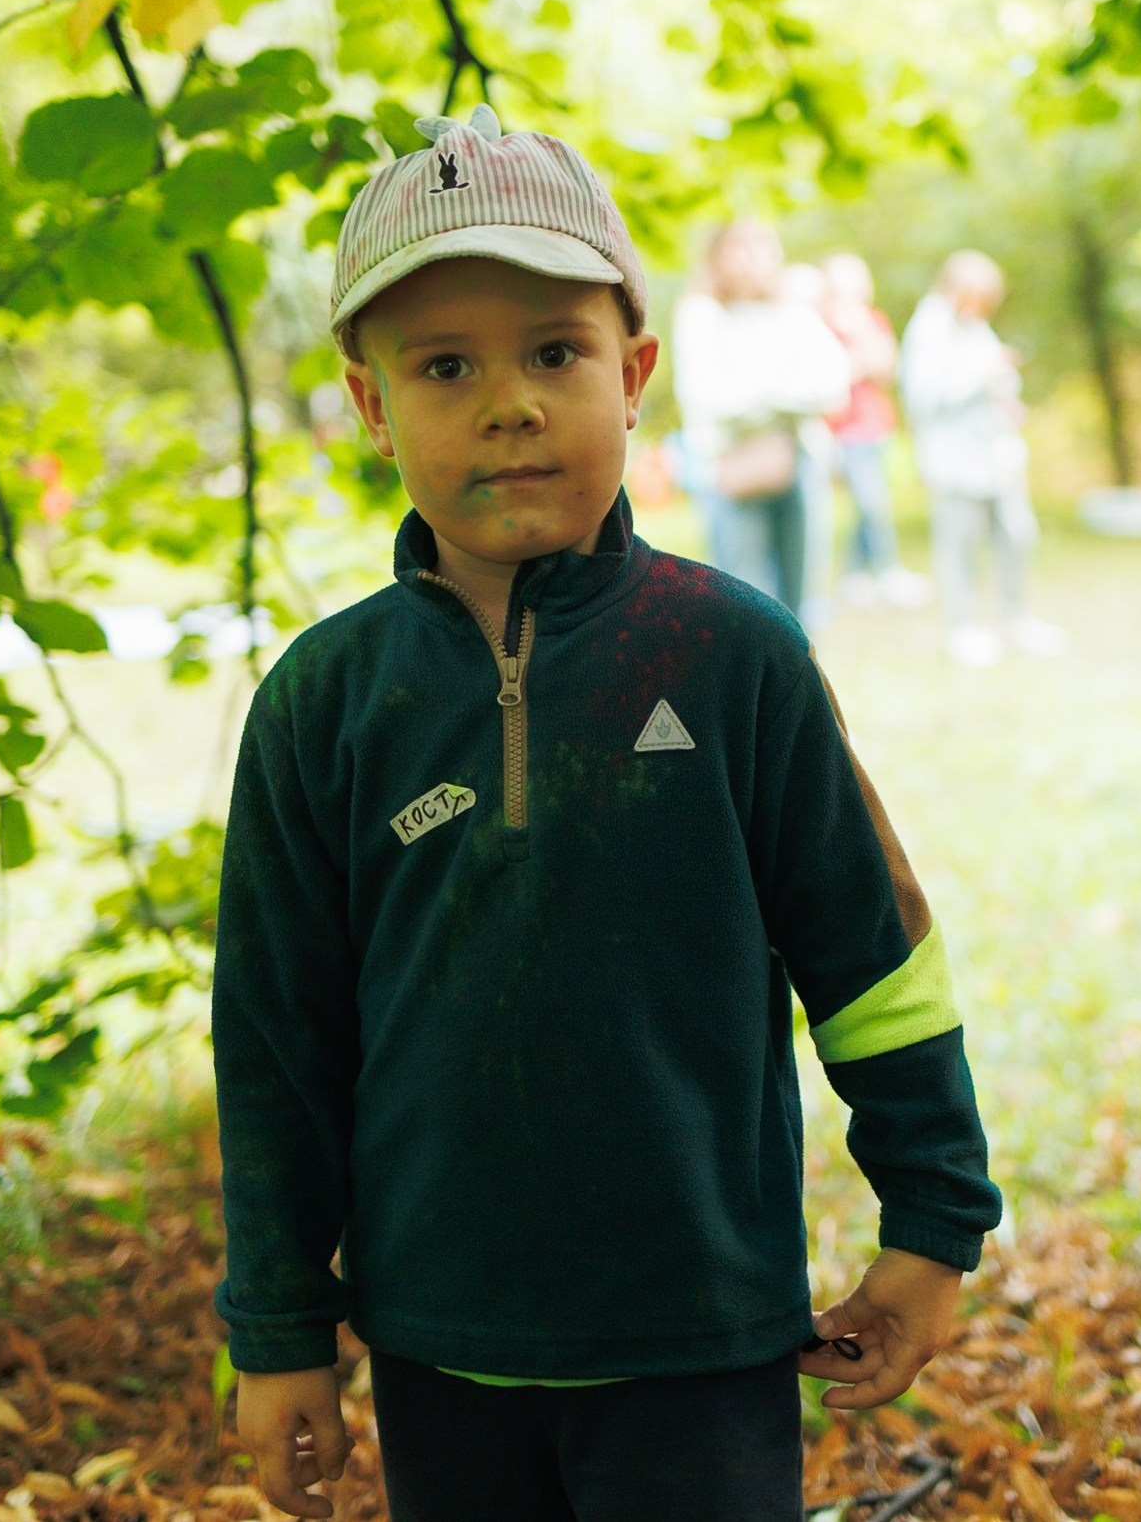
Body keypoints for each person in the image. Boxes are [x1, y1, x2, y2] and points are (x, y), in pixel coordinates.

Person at [214, 105, 1001, 1522]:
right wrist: (279, 1328)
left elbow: (874, 960)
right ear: (371, 403)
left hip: (703, 1327)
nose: (510, 402)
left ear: (635, 373)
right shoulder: (324, 703)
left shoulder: (735, 653)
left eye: (556, 352)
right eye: (447, 364)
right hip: (441, 1337)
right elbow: (277, 1037)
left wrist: (932, 1220)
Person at [670, 220, 851, 621]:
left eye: (761, 246)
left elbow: (832, 384)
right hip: (732, 469)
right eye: (740, 246)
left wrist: (759, 388)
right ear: (717, 256)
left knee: (802, 595)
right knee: (744, 598)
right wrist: (786, 389)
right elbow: (710, 396)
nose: (752, 257)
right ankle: (752, 684)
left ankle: (801, 682)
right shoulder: (701, 315)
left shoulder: (795, 314)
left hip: (800, 463)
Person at [899, 251, 1064, 667]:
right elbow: (924, 399)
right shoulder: (929, 327)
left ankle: (1016, 618)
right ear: (958, 288)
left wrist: (1006, 395)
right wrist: (983, 377)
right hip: (955, 460)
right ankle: (964, 628)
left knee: (1016, 535)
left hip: (997, 454)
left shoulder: (975, 326)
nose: (987, 305)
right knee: (960, 547)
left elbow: (997, 377)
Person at [817, 253, 928, 606]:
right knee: (871, 501)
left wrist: (861, 353)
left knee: (869, 502)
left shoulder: (873, 320)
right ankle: (887, 570)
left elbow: (885, 367)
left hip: (877, 424)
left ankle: (854, 577)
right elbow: (832, 376)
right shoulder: (821, 324)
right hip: (843, 429)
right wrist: (858, 360)